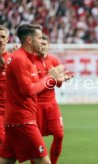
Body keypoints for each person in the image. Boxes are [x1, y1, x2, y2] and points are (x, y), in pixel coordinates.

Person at [0, 24, 66, 164]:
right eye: (40, 38)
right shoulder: (20, 59)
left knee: (6, 161)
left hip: (17, 119)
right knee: (43, 162)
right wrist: (50, 77)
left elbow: (38, 85)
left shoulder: (27, 58)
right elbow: (28, 90)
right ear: (30, 40)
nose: (42, 41)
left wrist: (54, 79)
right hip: (22, 120)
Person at [34, 34, 72, 164]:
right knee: (35, 140)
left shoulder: (54, 60)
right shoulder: (30, 61)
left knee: (59, 135)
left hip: (51, 104)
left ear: (48, 46)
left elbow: (59, 83)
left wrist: (61, 79)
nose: (42, 46)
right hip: (35, 105)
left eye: (44, 44)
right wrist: (50, 77)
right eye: (40, 44)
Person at [0, 25, 10, 145]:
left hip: (11, 111)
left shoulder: (13, 59)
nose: (0, 40)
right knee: (2, 140)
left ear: (7, 39)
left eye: (3, 37)